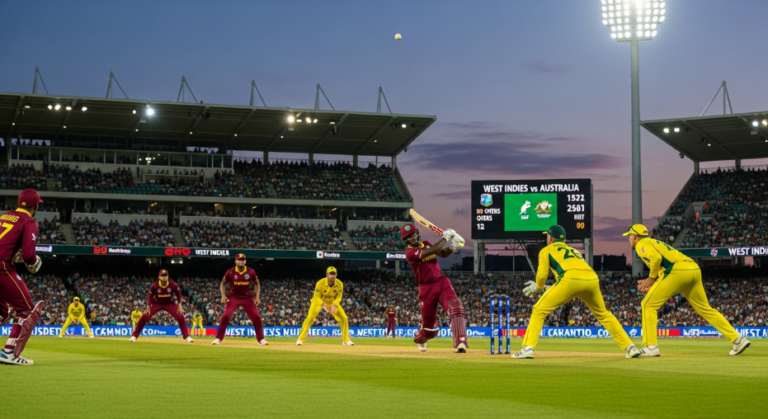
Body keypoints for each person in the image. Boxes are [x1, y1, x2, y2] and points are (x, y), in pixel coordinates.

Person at [513, 225, 641, 359]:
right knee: (604, 315)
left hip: (570, 280)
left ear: (550, 238)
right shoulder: (574, 251)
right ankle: (630, 348)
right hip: (591, 279)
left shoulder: (546, 250)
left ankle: (527, 348)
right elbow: (569, 280)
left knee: (539, 310)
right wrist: (546, 288)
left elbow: (543, 275)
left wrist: (538, 287)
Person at [624, 224, 750, 356]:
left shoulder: (641, 244)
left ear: (634, 236)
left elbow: (657, 258)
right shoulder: (654, 242)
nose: (629, 240)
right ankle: (738, 339)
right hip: (692, 268)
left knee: (647, 305)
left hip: (677, 271)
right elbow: (663, 269)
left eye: (629, 237)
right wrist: (653, 287)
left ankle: (650, 346)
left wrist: (650, 279)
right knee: (705, 309)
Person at [402, 223, 468, 353]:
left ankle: (461, 343)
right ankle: (420, 339)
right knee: (427, 326)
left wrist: (454, 246)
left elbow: (442, 253)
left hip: (441, 282)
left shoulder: (426, 243)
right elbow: (431, 251)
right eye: (409, 237)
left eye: (414, 234)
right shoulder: (410, 253)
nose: (413, 238)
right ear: (405, 241)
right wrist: (445, 238)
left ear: (417, 233)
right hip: (426, 289)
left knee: (455, 307)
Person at [0, 189, 45, 366]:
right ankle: (9, 353)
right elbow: (28, 255)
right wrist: (34, 262)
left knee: (2, 311)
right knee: (26, 309)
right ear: (36, 207)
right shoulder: (29, 221)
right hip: (2, 266)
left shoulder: (4, 216)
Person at [212, 254, 267, 345]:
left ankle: (261, 339)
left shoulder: (251, 271)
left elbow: (257, 283)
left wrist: (257, 297)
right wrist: (223, 295)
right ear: (235, 261)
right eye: (239, 260)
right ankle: (218, 338)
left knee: (256, 317)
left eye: (243, 260)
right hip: (233, 297)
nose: (241, 261)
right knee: (225, 316)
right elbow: (223, 283)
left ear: (245, 261)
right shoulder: (230, 272)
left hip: (247, 298)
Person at [129, 269, 193, 343]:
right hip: (157, 303)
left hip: (170, 303)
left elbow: (178, 294)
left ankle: (186, 337)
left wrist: (179, 305)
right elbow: (150, 296)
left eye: (165, 275)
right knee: (144, 316)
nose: (164, 277)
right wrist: (148, 307)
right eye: (162, 276)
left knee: (180, 316)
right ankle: (134, 336)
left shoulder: (173, 284)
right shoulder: (154, 285)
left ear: (168, 276)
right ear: (159, 277)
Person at [297, 266, 354, 346]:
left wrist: (335, 304)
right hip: (318, 302)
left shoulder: (340, 284)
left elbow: (339, 297)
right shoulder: (320, 283)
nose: (332, 276)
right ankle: (300, 339)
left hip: (332, 302)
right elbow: (316, 297)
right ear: (327, 274)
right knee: (310, 318)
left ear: (336, 275)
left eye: (334, 274)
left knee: (344, 318)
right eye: (330, 274)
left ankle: (346, 340)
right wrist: (323, 304)